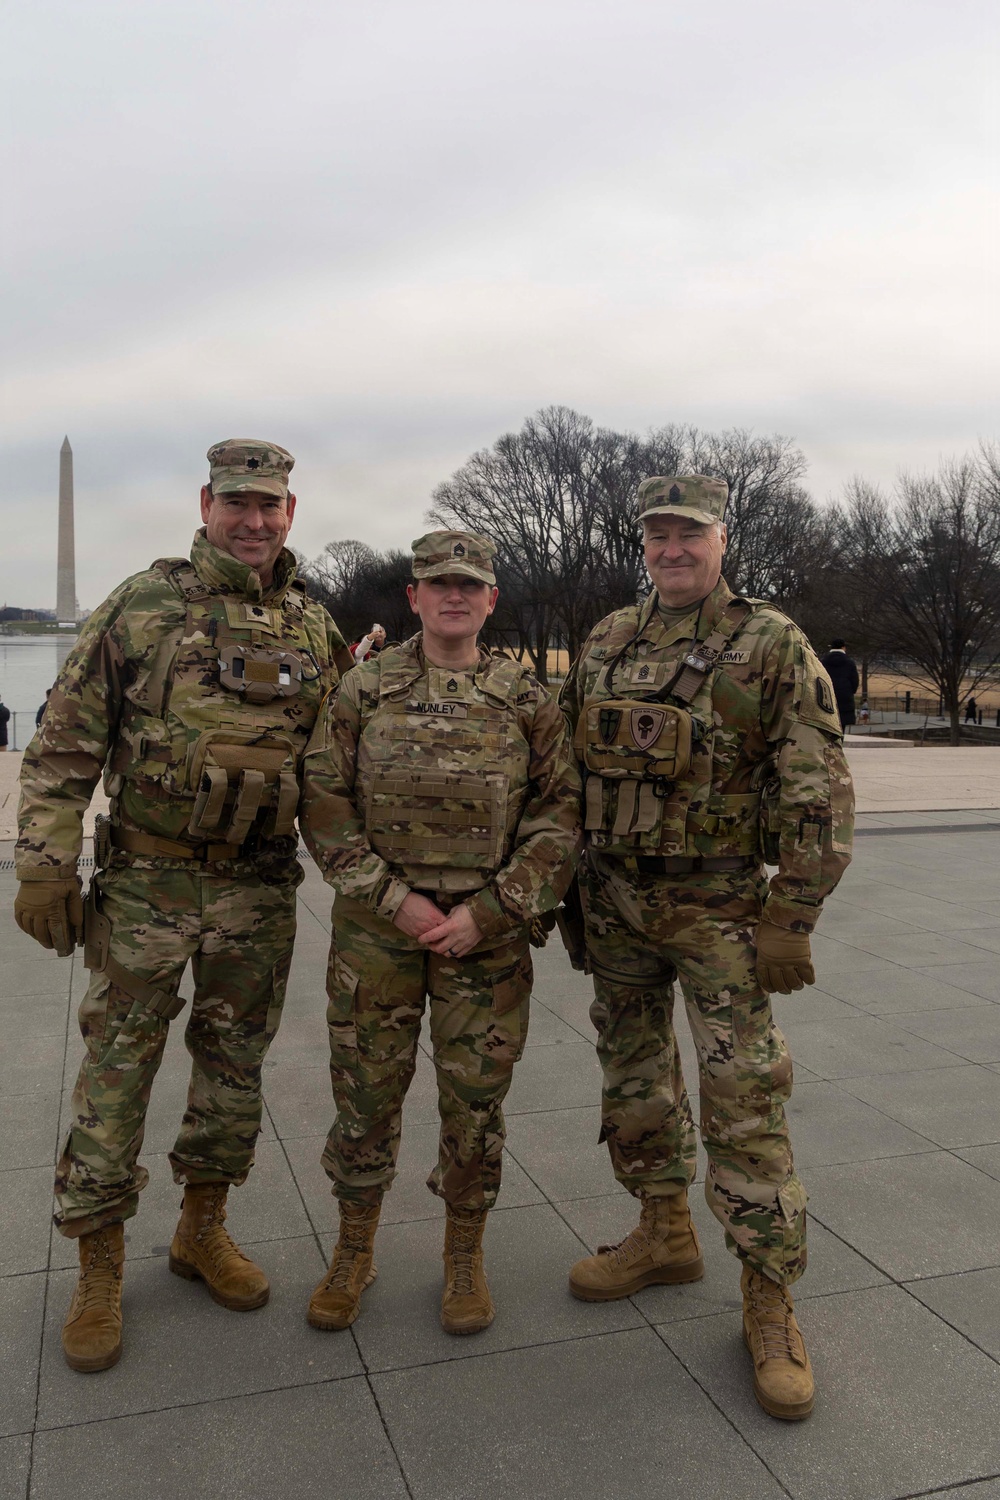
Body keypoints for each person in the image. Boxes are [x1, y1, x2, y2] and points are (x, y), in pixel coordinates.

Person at [15, 438, 352, 1374]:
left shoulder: (311, 628)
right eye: (237, 502)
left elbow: (333, 772)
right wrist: (44, 863)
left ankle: (203, 1229)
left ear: (292, 513)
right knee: (117, 1073)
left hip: (258, 887)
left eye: (270, 506)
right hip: (146, 886)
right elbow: (63, 744)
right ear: (206, 502)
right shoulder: (141, 606)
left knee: (233, 1070)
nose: (253, 521)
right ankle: (99, 1263)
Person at [559, 475, 853, 1422]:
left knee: (744, 1094)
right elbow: (564, 767)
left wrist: (792, 914)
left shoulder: (770, 642)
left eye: (689, 533)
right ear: (642, 543)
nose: (672, 549)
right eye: (657, 535)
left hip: (721, 908)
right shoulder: (608, 640)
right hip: (617, 904)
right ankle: (662, 1231)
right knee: (635, 1078)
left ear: (722, 539)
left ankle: (768, 1298)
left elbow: (817, 785)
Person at [299, 530, 581, 1335]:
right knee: (364, 1096)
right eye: (437, 584)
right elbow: (323, 803)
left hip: (484, 942)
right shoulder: (363, 689)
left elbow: (560, 817)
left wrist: (490, 913)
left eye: (470, 585)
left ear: (491, 601)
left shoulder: (527, 700)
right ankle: (355, 1247)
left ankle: (465, 1253)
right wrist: (393, 900)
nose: (453, 596)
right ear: (413, 598)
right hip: (378, 935)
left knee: (475, 1108)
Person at [820, 639, 859, 731]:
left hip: (826, 696)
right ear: (843, 647)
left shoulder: (823, 661)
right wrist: (850, 692)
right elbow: (855, 681)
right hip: (844, 697)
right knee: (842, 726)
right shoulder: (850, 663)